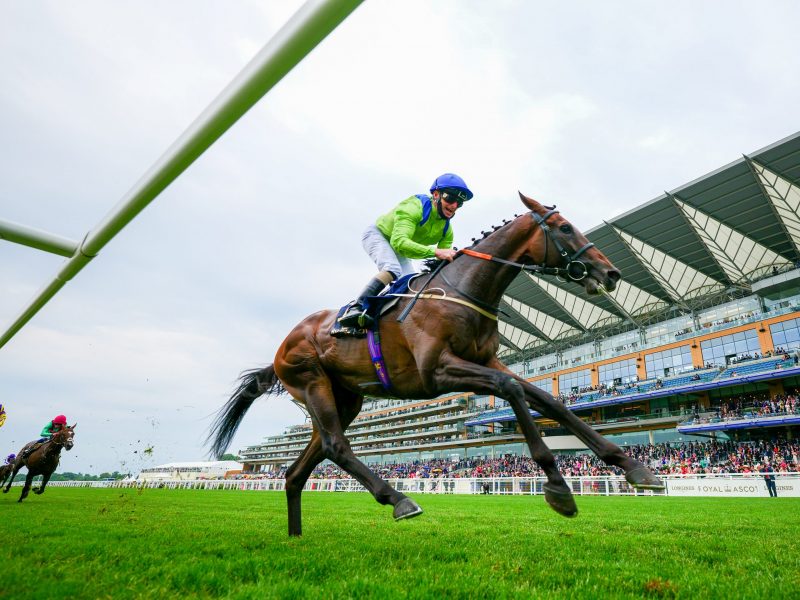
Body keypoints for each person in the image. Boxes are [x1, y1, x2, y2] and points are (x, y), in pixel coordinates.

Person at [338, 173, 474, 328]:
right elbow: (399, 242)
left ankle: (380, 317)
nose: (454, 205)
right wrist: (437, 252)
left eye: (459, 203)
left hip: (400, 250)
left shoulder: (447, 230)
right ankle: (355, 307)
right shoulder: (413, 207)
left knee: (410, 286)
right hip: (379, 235)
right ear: (436, 195)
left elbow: (441, 262)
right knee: (392, 268)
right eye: (450, 198)